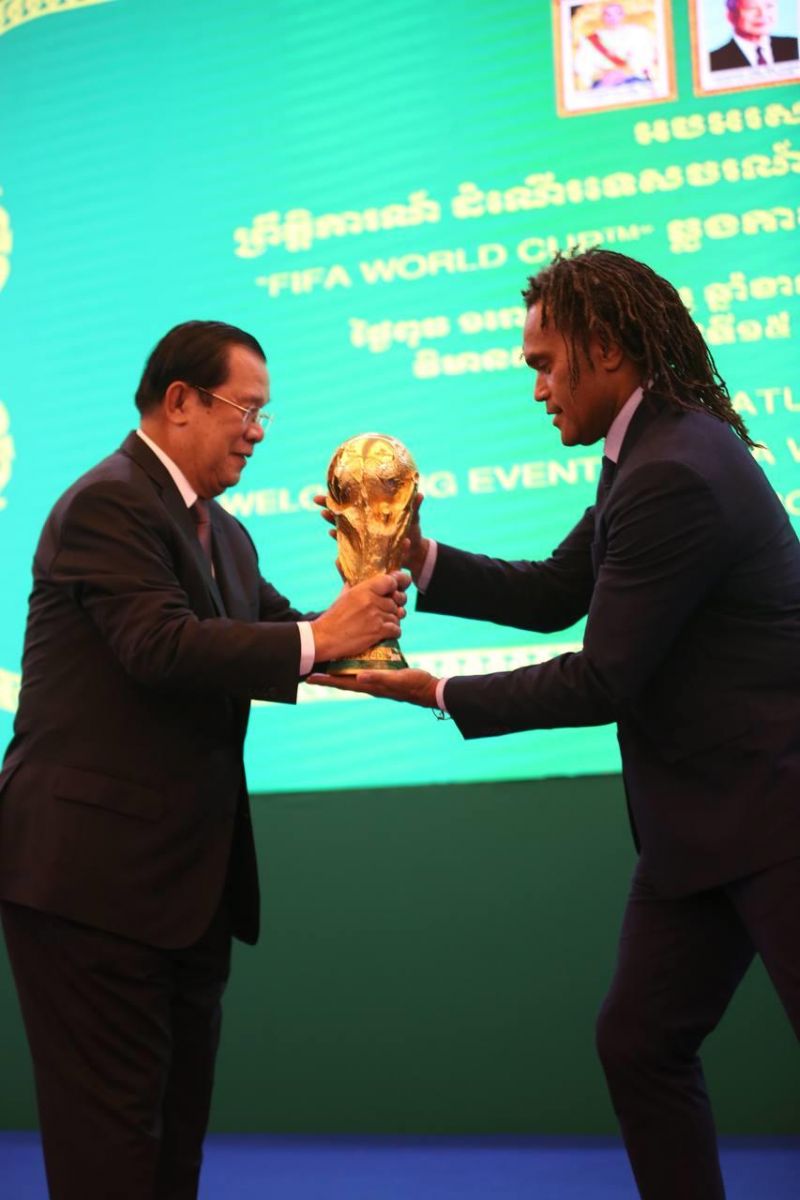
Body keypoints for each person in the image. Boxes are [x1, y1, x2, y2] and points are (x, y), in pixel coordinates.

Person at [313, 250, 800, 1200]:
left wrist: (438, 691)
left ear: (606, 349)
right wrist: (410, 551)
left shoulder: (673, 469)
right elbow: (552, 594)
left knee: (642, 1045)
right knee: (639, 1043)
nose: (536, 388)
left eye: (544, 364)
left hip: (775, 814)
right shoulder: (648, 450)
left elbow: (603, 677)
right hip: (707, 826)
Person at [0, 320, 408, 1200]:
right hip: (89, 887)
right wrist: (323, 636)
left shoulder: (226, 533)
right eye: (245, 410)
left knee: (172, 1152)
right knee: (111, 1157)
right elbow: (161, 646)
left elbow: (289, 636)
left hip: (185, 893)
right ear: (179, 401)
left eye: (264, 414)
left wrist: (387, 644)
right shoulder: (107, 503)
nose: (258, 432)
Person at [573, 3, 657, 89]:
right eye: (608, 15)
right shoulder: (589, 40)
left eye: (617, 13)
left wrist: (623, 72)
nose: (613, 18)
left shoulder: (639, 32)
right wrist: (601, 75)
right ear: (602, 17)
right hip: (604, 82)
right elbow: (582, 64)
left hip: (634, 79)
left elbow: (647, 55)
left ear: (623, 15)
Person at [710, 0, 798, 70]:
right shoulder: (714, 60)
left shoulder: (794, 45)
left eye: (769, 6)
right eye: (751, 8)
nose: (763, 14)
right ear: (730, 16)